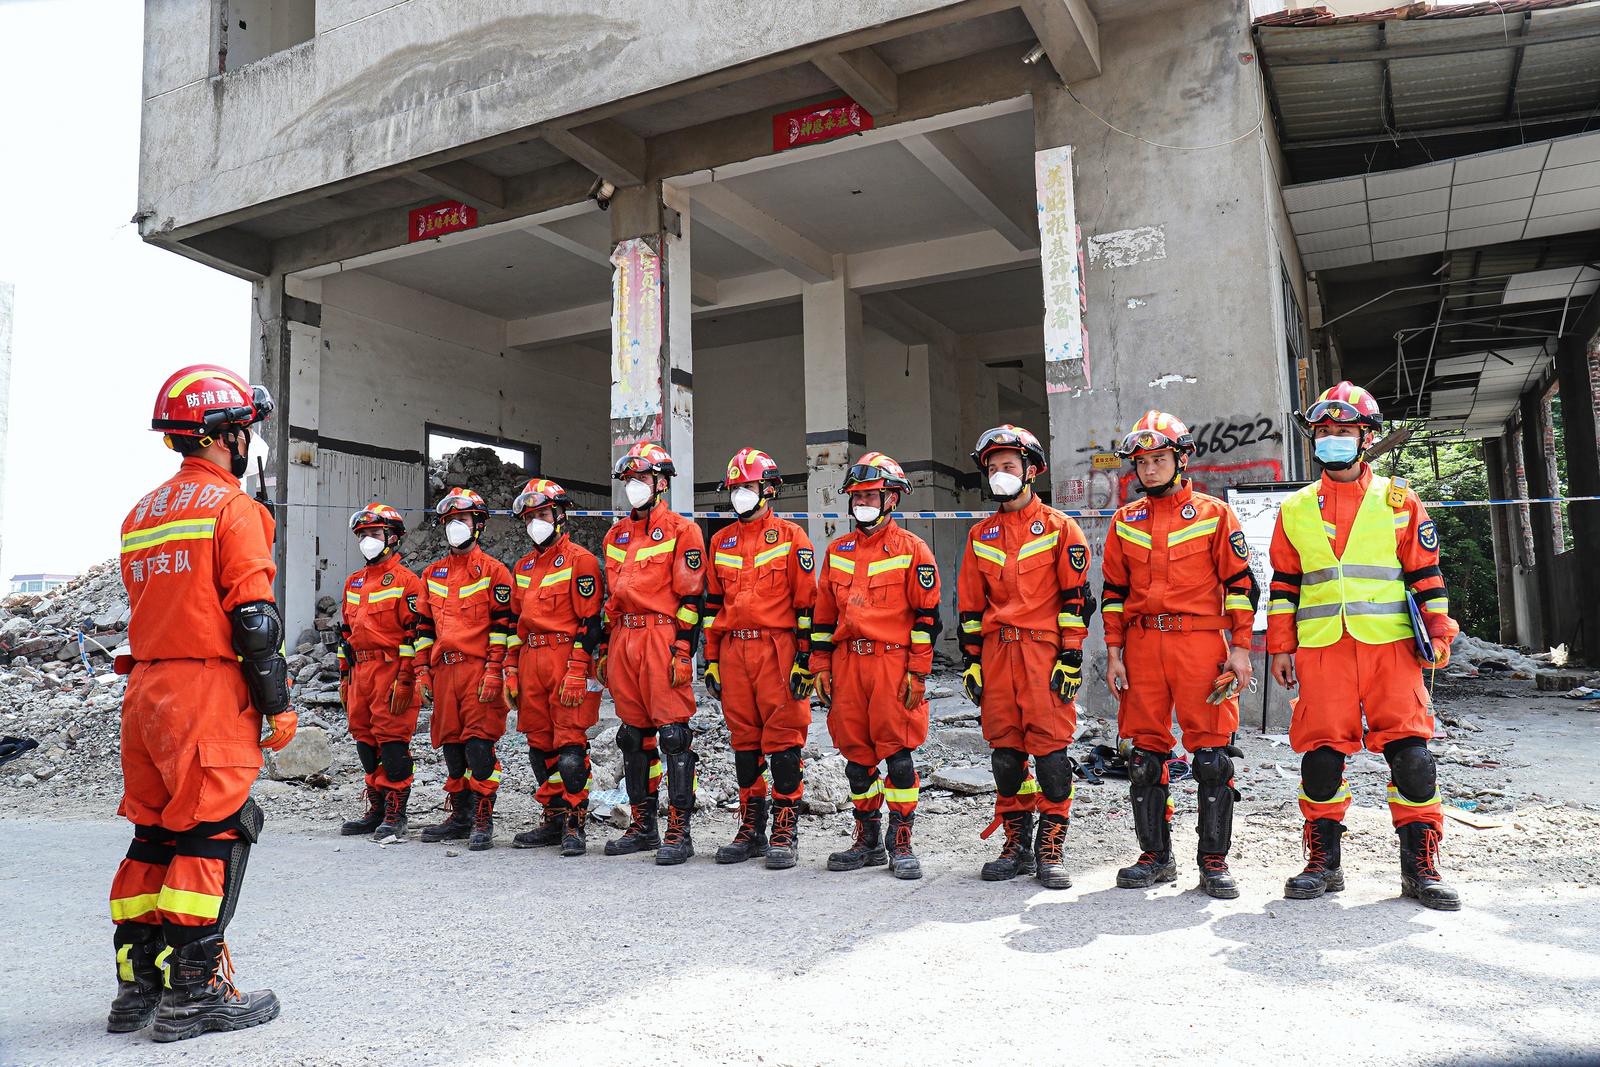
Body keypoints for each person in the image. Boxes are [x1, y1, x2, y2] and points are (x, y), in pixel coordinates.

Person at [108, 364, 295, 1041]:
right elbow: (255, 621)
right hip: (202, 691)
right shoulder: (231, 507)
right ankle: (196, 993)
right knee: (214, 830)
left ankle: (137, 987)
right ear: (225, 434)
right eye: (246, 429)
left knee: (153, 835)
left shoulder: (141, 514)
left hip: (146, 692)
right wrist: (276, 704)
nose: (250, 442)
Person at [1268, 382, 1461, 910]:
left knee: (1412, 756)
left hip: (1391, 647)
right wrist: (1280, 647)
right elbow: (1284, 585)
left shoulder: (1400, 500)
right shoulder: (1296, 509)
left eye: (1344, 432)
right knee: (1321, 759)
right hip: (1323, 648)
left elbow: (1426, 575)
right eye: (1324, 433)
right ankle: (1322, 863)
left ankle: (1421, 867)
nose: (1332, 440)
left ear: (1365, 438)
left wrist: (1439, 633)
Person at [1100, 411, 1257, 899]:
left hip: (1200, 644)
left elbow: (1240, 586)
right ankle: (1155, 857)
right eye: (1141, 462)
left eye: (1159, 459)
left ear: (1181, 459)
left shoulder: (1214, 514)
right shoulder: (1124, 521)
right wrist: (1113, 653)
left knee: (1212, 758)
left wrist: (1241, 651)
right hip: (1143, 646)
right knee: (1144, 757)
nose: (1148, 470)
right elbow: (1112, 593)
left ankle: (1213, 862)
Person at [956, 425, 1093, 890]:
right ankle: (1016, 844)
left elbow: (1076, 601)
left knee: (1052, 754)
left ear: (1031, 471)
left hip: (1042, 651)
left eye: (1008, 467)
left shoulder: (1059, 527)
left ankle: (1051, 847)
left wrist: (1070, 657)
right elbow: (971, 608)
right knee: (1005, 756)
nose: (999, 475)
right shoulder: (980, 535)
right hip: (997, 654)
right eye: (992, 468)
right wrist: (971, 660)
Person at [811, 452, 941, 880]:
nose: (862, 502)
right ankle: (866, 838)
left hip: (892, 665)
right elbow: (824, 617)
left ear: (891, 500)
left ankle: (900, 837)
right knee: (856, 758)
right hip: (848, 666)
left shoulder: (913, 550)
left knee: (898, 756)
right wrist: (821, 666)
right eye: (857, 495)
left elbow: (927, 620)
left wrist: (918, 672)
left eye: (870, 495)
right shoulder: (837, 551)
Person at [701, 448, 818, 870]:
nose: (740, 496)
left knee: (784, 741)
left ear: (768, 490)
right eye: (735, 489)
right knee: (744, 742)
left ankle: (785, 830)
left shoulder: (792, 538)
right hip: (734, 650)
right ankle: (751, 828)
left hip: (777, 649)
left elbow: (807, 606)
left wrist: (806, 660)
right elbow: (713, 607)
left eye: (748, 488)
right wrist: (711, 659)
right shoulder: (720, 540)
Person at [600, 442, 707, 865]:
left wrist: (684, 649)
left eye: (642, 479)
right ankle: (643, 825)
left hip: (661, 638)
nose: (634, 487)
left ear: (661, 483)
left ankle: (679, 830)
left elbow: (691, 599)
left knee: (674, 736)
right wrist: (604, 647)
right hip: (624, 638)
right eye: (629, 481)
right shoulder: (615, 535)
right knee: (632, 737)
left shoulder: (683, 530)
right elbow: (612, 597)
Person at [505, 479, 604, 856]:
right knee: (538, 746)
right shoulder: (524, 566)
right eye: (530, 517)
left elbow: (590, 622)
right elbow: (515, 626)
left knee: (569, 748)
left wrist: (579, 668)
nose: (536, 523)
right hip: (531, 660)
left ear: (560, 516)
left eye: (543, 514)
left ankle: (575, 823)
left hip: (566, 659)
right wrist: (511, 671)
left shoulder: (581, 561)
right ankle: (553, 816)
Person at [414, 488, 516, 852]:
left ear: (479, 525)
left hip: (477, 670)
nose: (456, 527)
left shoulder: (494, 573)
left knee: (478, 746)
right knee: (451, 747)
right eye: (450, 521)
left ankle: (483, 818)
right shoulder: (432, 574)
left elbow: (504, 629)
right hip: (444, 673)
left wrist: (494, 671)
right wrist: (422, 672)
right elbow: (424, 629)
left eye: (463, 520)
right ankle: (460, 816)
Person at [336, 502, 427, 842]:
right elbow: (345, 633)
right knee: (364, 739)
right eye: (362, 535)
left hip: (392, 669)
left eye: (374, 534)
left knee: (392, 742)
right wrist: (345, 677)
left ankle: (395, 813)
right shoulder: (353, 582)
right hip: (361, 670)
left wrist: (407, 679)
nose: (367, 541)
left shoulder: (407, 582)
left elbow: (413, 635)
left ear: (392, 538)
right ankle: (375, 809)